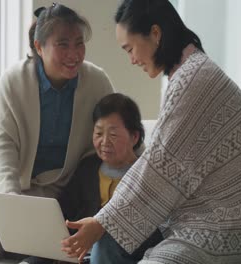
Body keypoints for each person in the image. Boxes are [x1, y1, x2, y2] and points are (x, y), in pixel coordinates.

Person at [61, 0, 241, 263]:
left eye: (130, 49)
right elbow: (162, 162)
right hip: (192, 219)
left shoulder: (194, 80)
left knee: (112, 235)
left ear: (156, 34)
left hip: (226, 229)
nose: (132, 60)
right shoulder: (189, 72)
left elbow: (159, 168)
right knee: (108, 239)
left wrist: (102, 220)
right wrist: (103, 223)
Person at [0, 3, 114, 264]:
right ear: (39, 47)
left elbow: (118, 125)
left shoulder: (97, 81)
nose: (74, 54)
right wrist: (11, 198)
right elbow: (3, 143)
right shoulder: (14, 80)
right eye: (63, 44)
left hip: (56, 190)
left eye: (79, 43)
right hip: (6, 184)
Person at [57, 93, 163, 264]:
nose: (104, 142)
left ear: (134, 137)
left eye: (113, 135)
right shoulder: (87, 168)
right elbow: (62, 213)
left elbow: (154, 233)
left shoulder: (146, 174)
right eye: (98, 133)